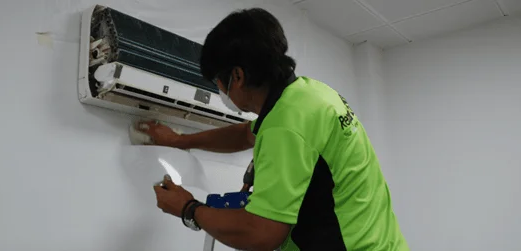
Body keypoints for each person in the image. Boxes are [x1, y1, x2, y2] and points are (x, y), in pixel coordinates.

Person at [138, 8, 409, 251]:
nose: (220, 91)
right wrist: (179, 140)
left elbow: (262, 234)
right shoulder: (309, 95)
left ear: (238, 76)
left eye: (217, 82)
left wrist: (188, 208)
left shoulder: (286, 124)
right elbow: (246, 133)